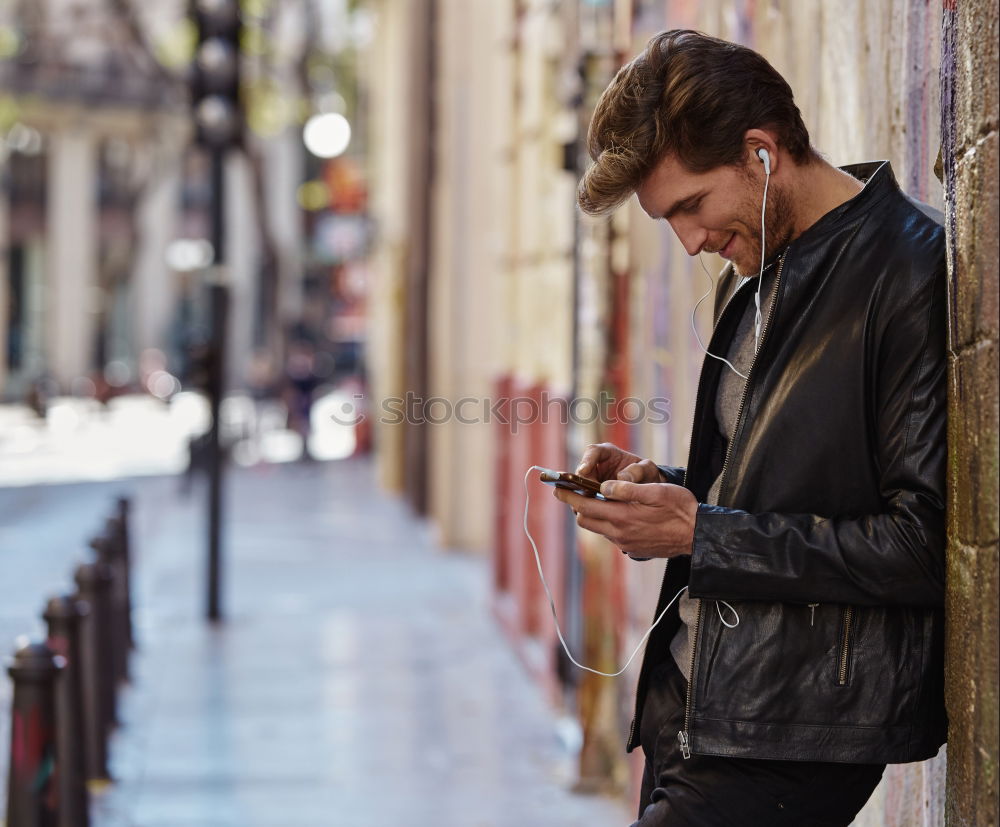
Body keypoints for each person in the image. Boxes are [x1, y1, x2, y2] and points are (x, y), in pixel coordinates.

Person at [553, 30, 947, 826]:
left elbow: (920, 544)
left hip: (788, 736)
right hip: (695, 713)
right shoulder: (764, 271)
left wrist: (702, 534)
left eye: (692, 206)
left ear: (761, 152)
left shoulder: (908, 271)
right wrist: (663, 493)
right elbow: (773, 488)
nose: (691, 240)